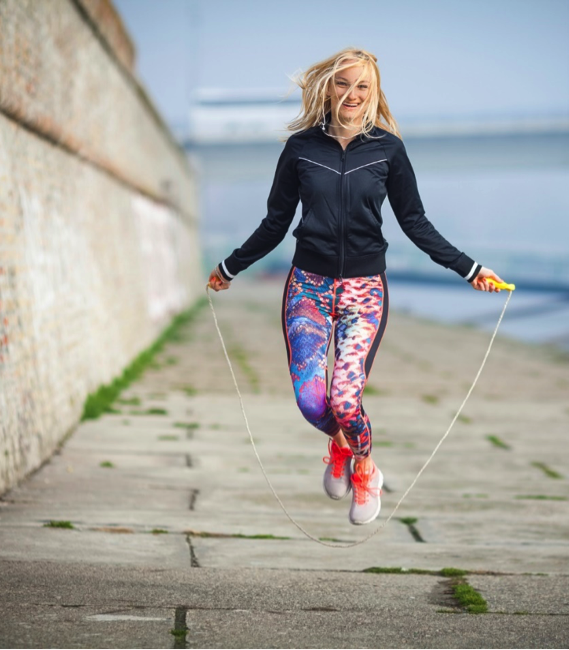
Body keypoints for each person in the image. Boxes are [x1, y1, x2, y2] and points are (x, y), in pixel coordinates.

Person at [207, 47, 506, 525]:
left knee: (346, 398)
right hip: (308, 285)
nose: (351, 94)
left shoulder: (388, 150)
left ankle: (365, 465)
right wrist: (230, 266)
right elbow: (275, 222)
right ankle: (341, 444)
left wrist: (471, 270)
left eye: (362, 86)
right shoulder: (301, 149)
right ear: (328, 88)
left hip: (364, 291)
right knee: (311, 401)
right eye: (343, 83)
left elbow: (416, 223)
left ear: (374, 93)